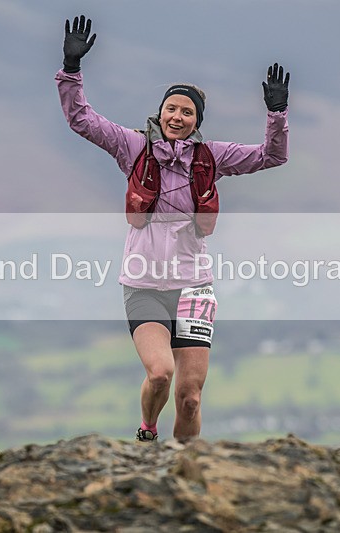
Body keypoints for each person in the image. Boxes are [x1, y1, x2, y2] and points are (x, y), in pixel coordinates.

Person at [56, 15, 290, 442]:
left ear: (196, 120)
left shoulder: (211, 157)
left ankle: (186, 469)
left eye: (187, 112)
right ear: (160, 112)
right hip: (143, 283)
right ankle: (147, 431)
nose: (177, 116)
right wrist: (71, 70)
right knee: (161, 374)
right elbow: (82, 120)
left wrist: (277, 114)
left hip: (194, 286)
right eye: (171, 109)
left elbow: (270, 157)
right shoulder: (134, 147)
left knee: (190, 397)